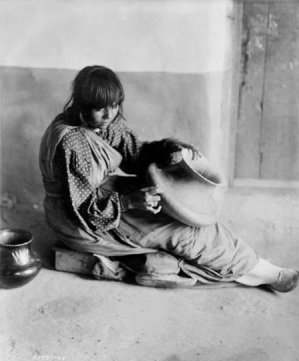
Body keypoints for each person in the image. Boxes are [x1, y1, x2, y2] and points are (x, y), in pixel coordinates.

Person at [39, 65, 298, 292]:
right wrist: (130, 202)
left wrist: (169, 151)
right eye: (100, 108)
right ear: (82, 106)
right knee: (182, 231)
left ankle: (252, 264)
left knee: (181, 214)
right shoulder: (71, 140)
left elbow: (135, 154)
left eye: (115, 105)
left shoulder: (103, 122)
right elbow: (83, 210)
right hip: (79, 219)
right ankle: (265, 273)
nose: (109, 114)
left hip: (104, 198)